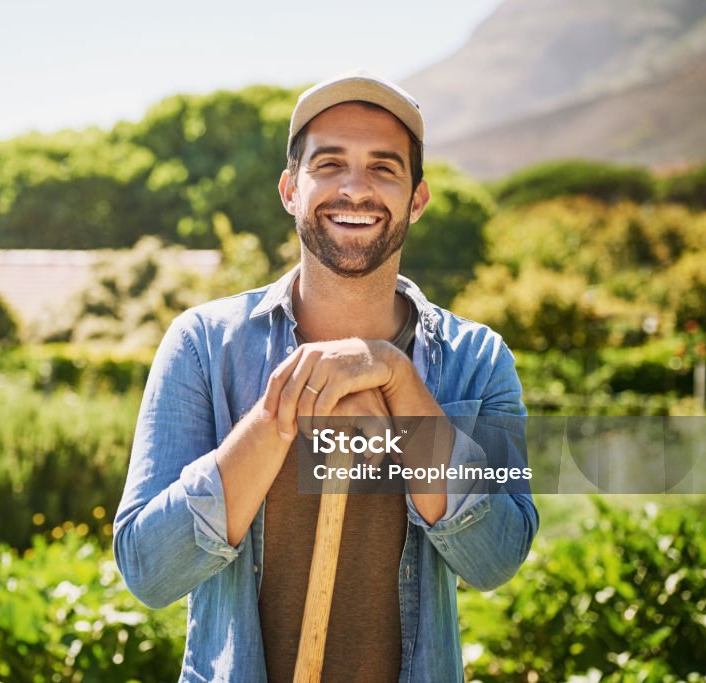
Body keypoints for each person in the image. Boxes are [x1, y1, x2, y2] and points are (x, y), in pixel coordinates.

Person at [113, 70, 539, 682]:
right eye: (330, 163)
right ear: (291, 189)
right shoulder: (203, 345)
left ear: (417, 198)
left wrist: (398, 383)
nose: (355, 189)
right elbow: (148, 571)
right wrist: (277, 415)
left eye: (384, 168)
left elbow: (497, 559)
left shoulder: (478, 359)